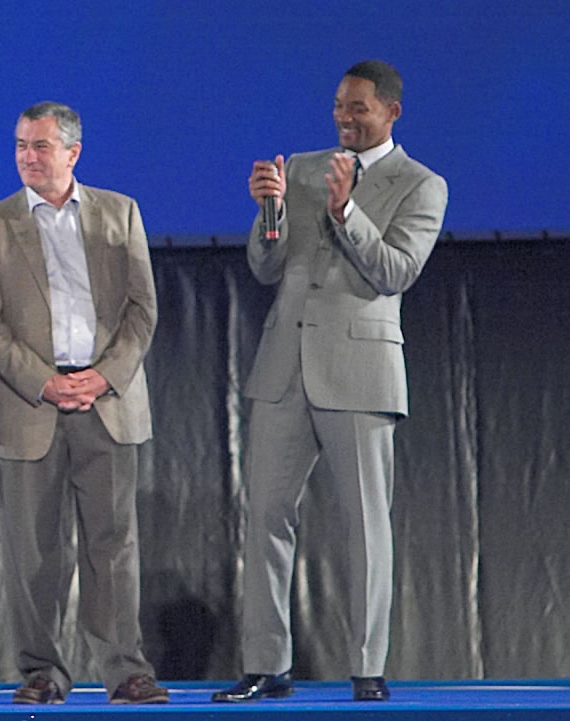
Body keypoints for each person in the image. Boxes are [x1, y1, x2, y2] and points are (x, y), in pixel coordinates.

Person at [213, 60, 448, 704]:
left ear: (392, 113)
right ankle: (267, 665)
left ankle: (367, 669)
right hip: (284, 366)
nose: (345, 118)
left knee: (365, 525)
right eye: (340, 106)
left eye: (359, 109)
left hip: (359, 370)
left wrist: (345, 212)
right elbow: (266, 266)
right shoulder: (306, 167)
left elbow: (395, 272)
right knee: (265, 517)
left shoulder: (422, 185)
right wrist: (271, 209)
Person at [0, 101, 167, 705]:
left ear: (73, 153)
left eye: (41, 146)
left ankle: (125, 670)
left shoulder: (119, 213)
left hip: (106, 401)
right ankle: (41, 671)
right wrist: (46, 380)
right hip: (30, 404)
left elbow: (142, 311)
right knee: (33, 549)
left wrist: (103, 376)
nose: (28, 156)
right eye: (22, 145)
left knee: (113, 544)